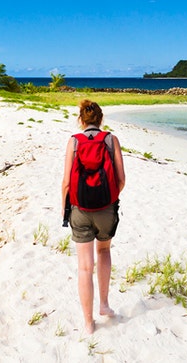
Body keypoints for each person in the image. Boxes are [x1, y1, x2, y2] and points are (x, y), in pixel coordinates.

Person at [61, 99, 126, 334]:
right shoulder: (111, 139)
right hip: (106, 210)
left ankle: (88, 323)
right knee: (104, 251)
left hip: (79, 210)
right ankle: (105, 305)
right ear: (100, 119)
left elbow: (67, 183)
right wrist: (109, 200)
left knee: (84, 267)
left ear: (81, 120)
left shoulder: (74, 142)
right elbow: (121, 180)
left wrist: (64, 210)